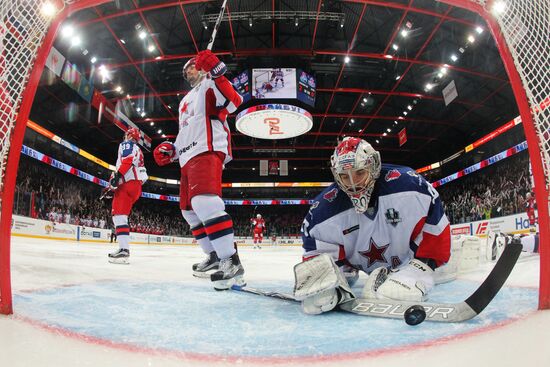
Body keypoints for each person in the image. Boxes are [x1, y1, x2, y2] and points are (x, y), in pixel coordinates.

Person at [294, 137, 451, 314]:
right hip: (355, 262)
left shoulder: (411, 186)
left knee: (405, 287)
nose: (354, 185)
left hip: (409, 260)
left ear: (374, 165)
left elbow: (434, 224)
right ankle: (345, 272)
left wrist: (421, 268)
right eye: (345, 177)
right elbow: (316, 248)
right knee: (325, 289)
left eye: (359, 173)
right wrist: (323, 279)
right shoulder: (321, 211)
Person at [153, 49, 244, 290]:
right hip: (186, 156)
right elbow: (187, 130)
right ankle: (214, 255)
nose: (186, 71)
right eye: (184, 71)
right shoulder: (184, 101)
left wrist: (217, 71)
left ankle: (230, 260)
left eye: (191, 66)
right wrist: (171, 150)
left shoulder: (210, 84)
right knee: (189, 212)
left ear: (202, 67)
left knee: (205, 202)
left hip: (206, 147)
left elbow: (235, 102)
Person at [107, 127, 148, 264]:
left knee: (119, 216)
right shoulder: (139, 149)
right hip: (136, 186)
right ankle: (123, 249)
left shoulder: (127, 144)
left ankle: (124, 250)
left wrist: (117, 177)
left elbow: (127, 161)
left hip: (127, 184)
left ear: (129, 136)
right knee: (122, 217)